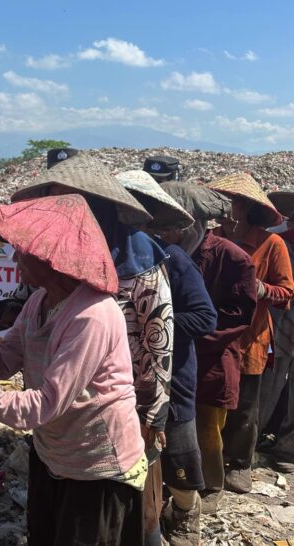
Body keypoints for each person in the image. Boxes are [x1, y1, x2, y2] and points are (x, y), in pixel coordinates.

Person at [0, 194, 146, 546]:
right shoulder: (40, 300)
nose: (15, 257)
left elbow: (45, 404)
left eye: (22, 250)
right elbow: (6, 359)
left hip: (94, 462)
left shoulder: (92, 314)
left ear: (50, 258)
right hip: (53, 450)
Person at [13, 154, 171, 544]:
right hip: (68, 408)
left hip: (122, 407)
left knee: (133, 511)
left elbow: (158, 349)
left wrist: (152, 416)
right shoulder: (55, 267)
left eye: (68, 202)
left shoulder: (140, 263)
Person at [118, 171, 217, 545]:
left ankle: (185, 512)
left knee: (179, 458)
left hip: (171, 377)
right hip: (126, 380)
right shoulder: (109, 259)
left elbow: (206, 317)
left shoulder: (171, 259)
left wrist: (155, 322)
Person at [161, 181, 258, 515]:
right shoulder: (163, 253)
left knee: (206, 427)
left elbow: (238, 314)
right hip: (168, 354)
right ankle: (176, 483)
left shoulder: (232, 257)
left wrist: (190, 336)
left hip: (213, 356)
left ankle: (211, 486)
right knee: (170, 425)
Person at [208, 172, 294, 493]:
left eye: (232, 203)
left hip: (250, 339)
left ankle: (239, 464)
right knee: (212, 401)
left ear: (245, 208)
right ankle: (210, 461)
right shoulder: (213, 238)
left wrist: (261, 289)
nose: (225, 209)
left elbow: (285, 291)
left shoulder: (272, 244)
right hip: (213, 336)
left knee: (245, 405)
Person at [258, 189, 294, 472]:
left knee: (271, 380)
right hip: (281, 317)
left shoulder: (277, 241)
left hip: (280, 319)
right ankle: (285, 447)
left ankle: (256, 437)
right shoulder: (278, 241)